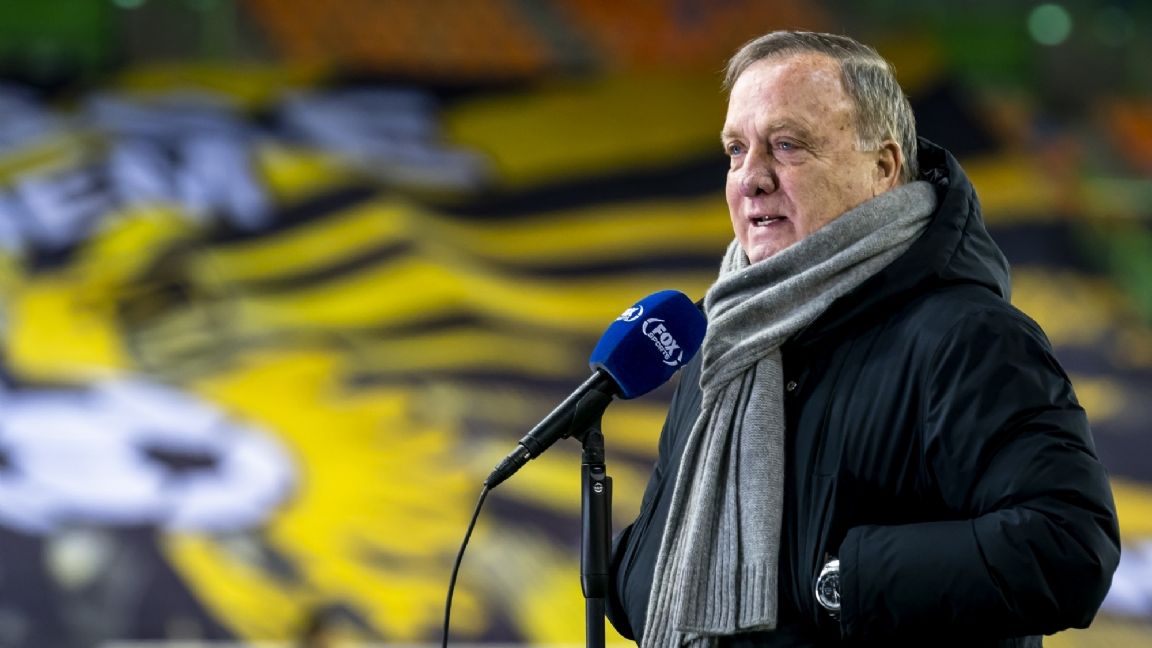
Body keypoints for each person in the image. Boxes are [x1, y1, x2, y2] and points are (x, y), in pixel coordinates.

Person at [606, 30, 1120, 647]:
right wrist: (641, 576)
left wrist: (841, 583)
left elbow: (1067, 548)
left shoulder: (969, 339)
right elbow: (666, 562)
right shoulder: (724, 343)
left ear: (883, 167)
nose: (751, 179)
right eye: (736, 150)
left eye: (787, 145)